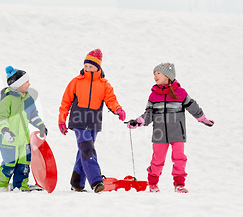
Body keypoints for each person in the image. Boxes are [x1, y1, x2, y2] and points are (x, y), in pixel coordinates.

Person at [127, 63, 214, 193]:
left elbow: (193, 106)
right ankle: (153, 183)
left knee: (179, 158)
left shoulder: (180, 93)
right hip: (159, 133)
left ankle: (179, 184)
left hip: (177, 133)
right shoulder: (153, 95)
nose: (155, 76)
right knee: (157, 159)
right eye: (154, 74)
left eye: (158, 73)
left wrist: (202, 118)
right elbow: (148, 114)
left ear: (168, 76)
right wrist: (139, 121)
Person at [58, 49, 126, 193]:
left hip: (94, 121)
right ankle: (96, 181)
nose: (87, 68)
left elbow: (111, 100)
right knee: (87, 148)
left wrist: (118, 109)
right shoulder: (76, 82)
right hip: (78, 121)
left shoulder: (104, 84)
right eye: (86, 65)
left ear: (98, 67)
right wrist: (62, 120)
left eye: (91, 66)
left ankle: (76, 182)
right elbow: (65, 102)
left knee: (84, 151)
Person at [0, 66, 47, 192]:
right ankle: (1, 184)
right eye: (26, 81)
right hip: (9, 140)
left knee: (23, 165)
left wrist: (40, 125)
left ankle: (21, 186)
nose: (29, 84)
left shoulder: (28, 99)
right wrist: (5, 130)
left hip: (24, 141)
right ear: (17, 84)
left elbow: (33, 115)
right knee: (9, 165)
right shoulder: (8, 99)